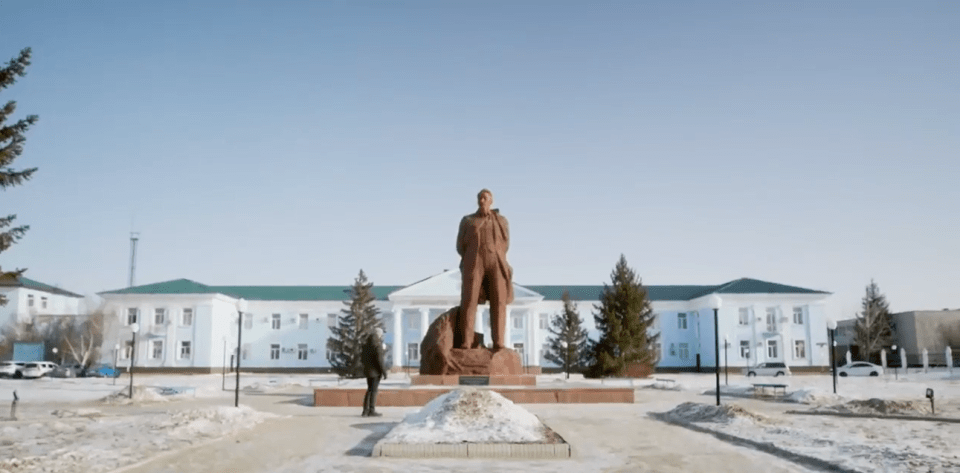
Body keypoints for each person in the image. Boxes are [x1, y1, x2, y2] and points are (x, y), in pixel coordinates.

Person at [456, 189, 514, 350]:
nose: (482, 201)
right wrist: (473, 255)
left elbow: (506, 244)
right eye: (480, 198)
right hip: (474, 262)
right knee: (469, 301)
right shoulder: (468, 220)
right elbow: (460, 246)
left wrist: (495, 252)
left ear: (491, 201)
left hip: (496, 261)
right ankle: (466, 341)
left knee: (499, 301)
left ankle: (498, 342)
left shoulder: (501, 221)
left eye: (485, 198)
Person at [360, 327, 387, 417]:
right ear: (379, 335)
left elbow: (362, 358)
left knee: (369, 390)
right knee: (373, 391)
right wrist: (384, 372)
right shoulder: (377, 345)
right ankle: (371, 410)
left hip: (368, 371)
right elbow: (380, 360)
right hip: (376, 372)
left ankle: (365, 411)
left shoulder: (366, 345)